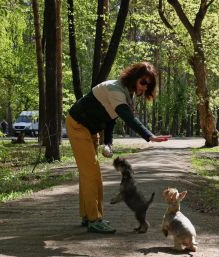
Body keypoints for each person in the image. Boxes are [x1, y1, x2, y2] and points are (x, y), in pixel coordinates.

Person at [66, 61, 171, 234]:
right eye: (143, 82)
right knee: (91, 173)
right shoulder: (116, 89)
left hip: (91, 129)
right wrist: (149, 135)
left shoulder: (127, 93)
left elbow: (111, 119)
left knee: (90, 174)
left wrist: (108, 143)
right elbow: (126, 116)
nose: (145, 87)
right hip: (78, 124)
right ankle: (94, 219)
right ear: (134, 78)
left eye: (149, 84)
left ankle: (88, 215)